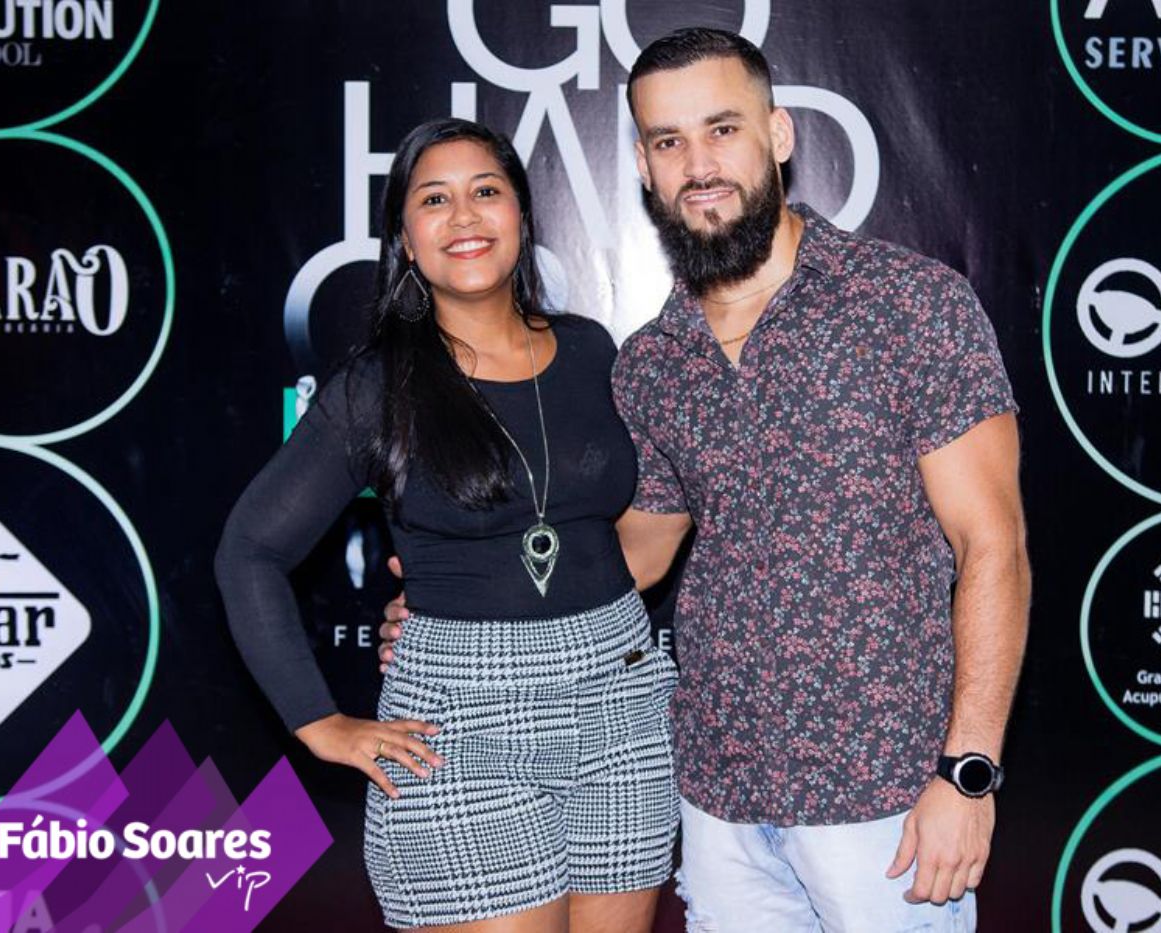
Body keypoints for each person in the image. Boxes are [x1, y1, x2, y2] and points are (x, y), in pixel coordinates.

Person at [383, 27, 1030, 932]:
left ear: (778, 135)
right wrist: (466, 594)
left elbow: (993, 546)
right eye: (668, 141)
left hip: (885, 800)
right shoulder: (654, 360)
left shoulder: (909, 305)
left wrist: (967, 771)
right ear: (644, 168)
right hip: (716, 797)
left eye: (722, 129)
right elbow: (635, 553)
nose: (698, 165)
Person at [215, 118, 679, 933]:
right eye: (434, 199)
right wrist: (319, 721)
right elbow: (249, 550)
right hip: (460, 722)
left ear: (522, 215)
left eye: (485, 191)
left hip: (621, 702)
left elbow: (644, 520)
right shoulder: (377, 388)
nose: (464, 216)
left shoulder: (591, 351)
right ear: (405, 237)